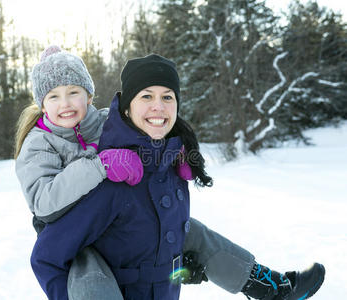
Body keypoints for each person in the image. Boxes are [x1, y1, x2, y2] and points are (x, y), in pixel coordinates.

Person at [30, 54, 325, 299]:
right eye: (146, 96)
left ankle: (270, 289)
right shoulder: (109, 174)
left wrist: (173, 262)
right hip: (97, 273)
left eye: (167, 96)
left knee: (195, 233)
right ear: (127, 107)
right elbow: (47, 255)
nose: (158, 106)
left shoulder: (168, 161)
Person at [14, 45, 145, 299]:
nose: (65, 104)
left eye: (73, 92)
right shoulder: (39, 143)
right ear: (42, 105)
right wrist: (99, 166)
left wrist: (175, 157)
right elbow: (43, 202)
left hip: (116, 223)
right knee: (92, 285)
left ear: (89, 96)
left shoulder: (109, 124)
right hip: (74, 241)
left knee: (183, 226)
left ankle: (244, 273)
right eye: (53, 96)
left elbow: (148, 136)